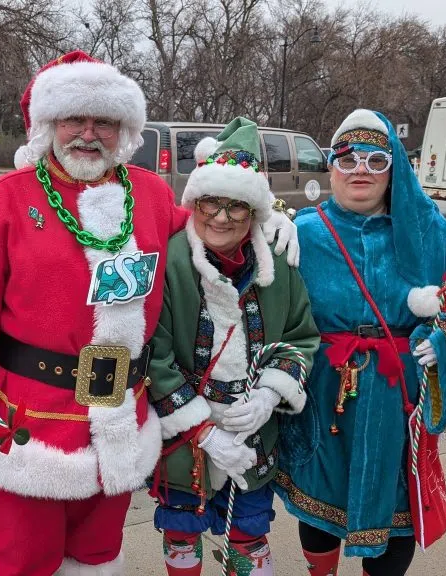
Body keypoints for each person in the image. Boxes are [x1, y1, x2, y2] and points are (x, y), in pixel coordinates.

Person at [0, 51, 301, 575]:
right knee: (20, 561)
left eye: (105, 121)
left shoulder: (150, 193)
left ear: (125, 130)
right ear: (50, 123)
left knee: (97, 558)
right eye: (75, 118)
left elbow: (213, 228)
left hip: (121, 422)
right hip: (31, 425)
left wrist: (267, 221)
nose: (88, 133)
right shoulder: (6, 201)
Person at [273, 110, 446, 575]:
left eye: (376, 159)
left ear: (395, 169)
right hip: (325, 393)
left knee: (396, 507)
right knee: (322, 492)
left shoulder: (430, 232)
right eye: (347, 158)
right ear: (330, 166)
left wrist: (442, 335)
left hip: (398, 396)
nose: (360, 171)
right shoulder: (303, 234)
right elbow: (266, 310)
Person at [146, 117, 319, 576]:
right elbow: (153, 357)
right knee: (182, 532)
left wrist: (269, 396)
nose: (221, 217)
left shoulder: (279, 265)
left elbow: (302, 337)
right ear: (193, 203)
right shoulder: (169, 262)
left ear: (256, 211)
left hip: (254, 436)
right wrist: (203, 432)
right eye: (210, 203)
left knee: (249, 532)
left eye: (237, 206)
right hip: (185, 438)